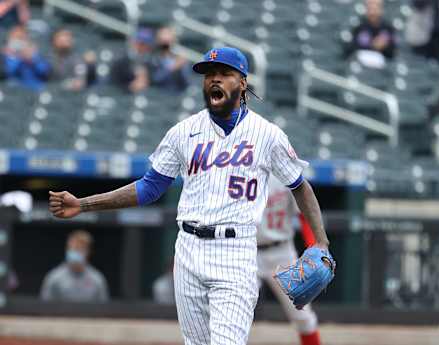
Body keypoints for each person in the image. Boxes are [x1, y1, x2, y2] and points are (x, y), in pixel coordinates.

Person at [48, 47, 334, 345]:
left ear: (243, 82)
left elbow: (300, 186)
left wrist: (321, 242)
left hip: (235, 251)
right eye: (210, 75)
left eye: (225, 74)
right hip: (188, 249)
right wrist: (84, 204)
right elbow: (149, 187)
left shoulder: (267, 135)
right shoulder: (183, 132)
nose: (215, 80)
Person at [257, 175, 321, 345]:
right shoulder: (241, 170)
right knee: (232, 313)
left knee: (303, 317)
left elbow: (304, 215)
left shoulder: (286, 174)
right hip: (248, 252)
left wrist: (313, 249)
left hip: (282, 253)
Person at [40, 230, 109, 303]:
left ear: (88, 252)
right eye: (73, 248)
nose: (75, 252)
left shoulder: (97, 279)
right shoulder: (54, 277)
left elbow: (104, 309)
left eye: (79, 249)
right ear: (67, 249)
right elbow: (44, 306)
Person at [347, 0, 396, 67]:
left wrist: (384, 47)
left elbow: (393, 54)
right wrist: (372, 45)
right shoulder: (358, 26)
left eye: (376, 6)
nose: (373, 10)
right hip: (361, 65)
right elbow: (350, 49)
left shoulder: (388, 28)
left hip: (382, 68)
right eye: (370, 6)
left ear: (381, 8)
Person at [2, 25, 50, 91]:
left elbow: (44, 71)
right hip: (15, 88)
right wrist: (20, 58)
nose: (18, 41)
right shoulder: (5, 55)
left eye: (21, 38)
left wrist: (32, 59)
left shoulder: (34, 53)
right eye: (16, 37)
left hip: (35, 87)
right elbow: (8, 72)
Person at [110, 27, 153, 93]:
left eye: (145, 44)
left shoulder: (153, 63)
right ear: (133, 43)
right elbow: (114, 86)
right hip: (124, 97)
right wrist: (130, 87)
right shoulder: (120, 63)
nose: (141, 47)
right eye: (139, 43)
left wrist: (145, 78)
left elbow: (158, 85)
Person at [149, 26, 189, 93]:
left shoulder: (180, 57)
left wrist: (181, 66)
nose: (165, 42)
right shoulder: (152, 57)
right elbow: (154, 80)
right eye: (162, 39)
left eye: (168, 40)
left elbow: (186, 82)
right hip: (158, 94)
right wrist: (173, 67)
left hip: (178, 94)